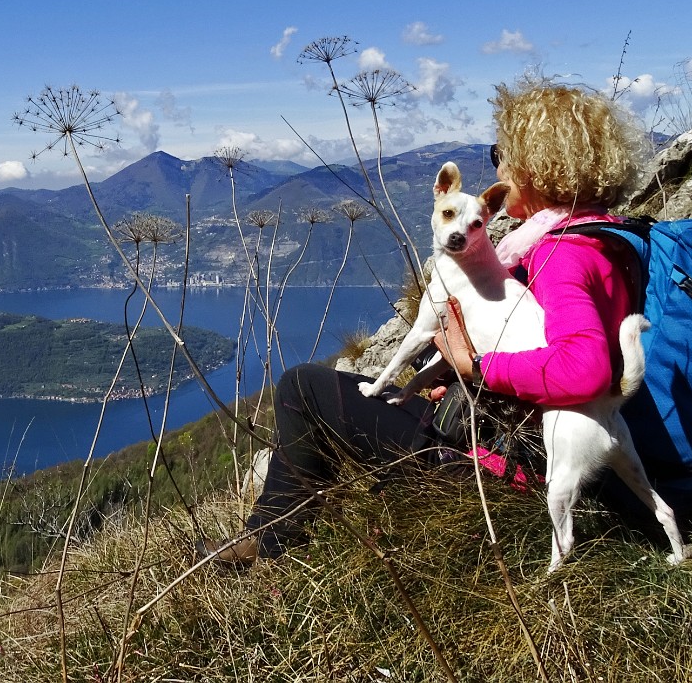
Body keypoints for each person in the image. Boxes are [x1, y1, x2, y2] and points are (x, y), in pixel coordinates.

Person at [212, 82, 651, 565]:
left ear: (536, 165)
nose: (497, 166)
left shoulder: (560, 253)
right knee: (347, 393)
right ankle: (289, 534)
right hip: (526, 440)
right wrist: (460, 374)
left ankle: (269, 549)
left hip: (508, 466)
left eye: (502, 153)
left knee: (304, 388)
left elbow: (585, 370)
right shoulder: (607, 237)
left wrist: (476, 367)